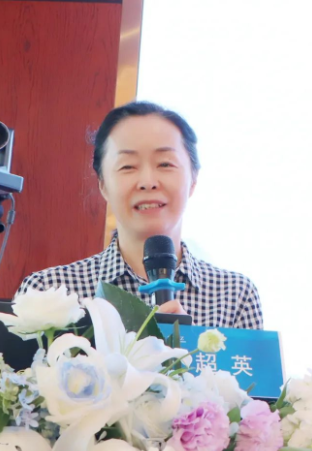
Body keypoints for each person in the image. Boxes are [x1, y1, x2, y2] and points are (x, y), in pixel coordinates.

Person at [16, 101, 263, 329]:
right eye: (128, 166)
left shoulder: (235, 295)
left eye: (165, 164)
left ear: (193, 179)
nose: (147, 181)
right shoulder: (48, 292)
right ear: (103, 184)